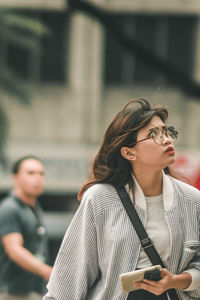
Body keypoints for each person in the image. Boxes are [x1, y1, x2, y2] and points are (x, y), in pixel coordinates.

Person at [43, 98, 200, 300]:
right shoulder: (100, 199)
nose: (167, 139)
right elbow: (69, 278)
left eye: (166, 131)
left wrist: (174, 281)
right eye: (154, 134)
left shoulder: (193, 200)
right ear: (128, 152)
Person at [0, 155, 52, 300]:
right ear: (16, 177)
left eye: (41, 173)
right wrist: (47, 271)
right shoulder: (10, 208)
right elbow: (14, 250)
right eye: (30, 173)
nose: (37, 178)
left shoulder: (34, 208)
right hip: (14, 293)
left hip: (35, 290)